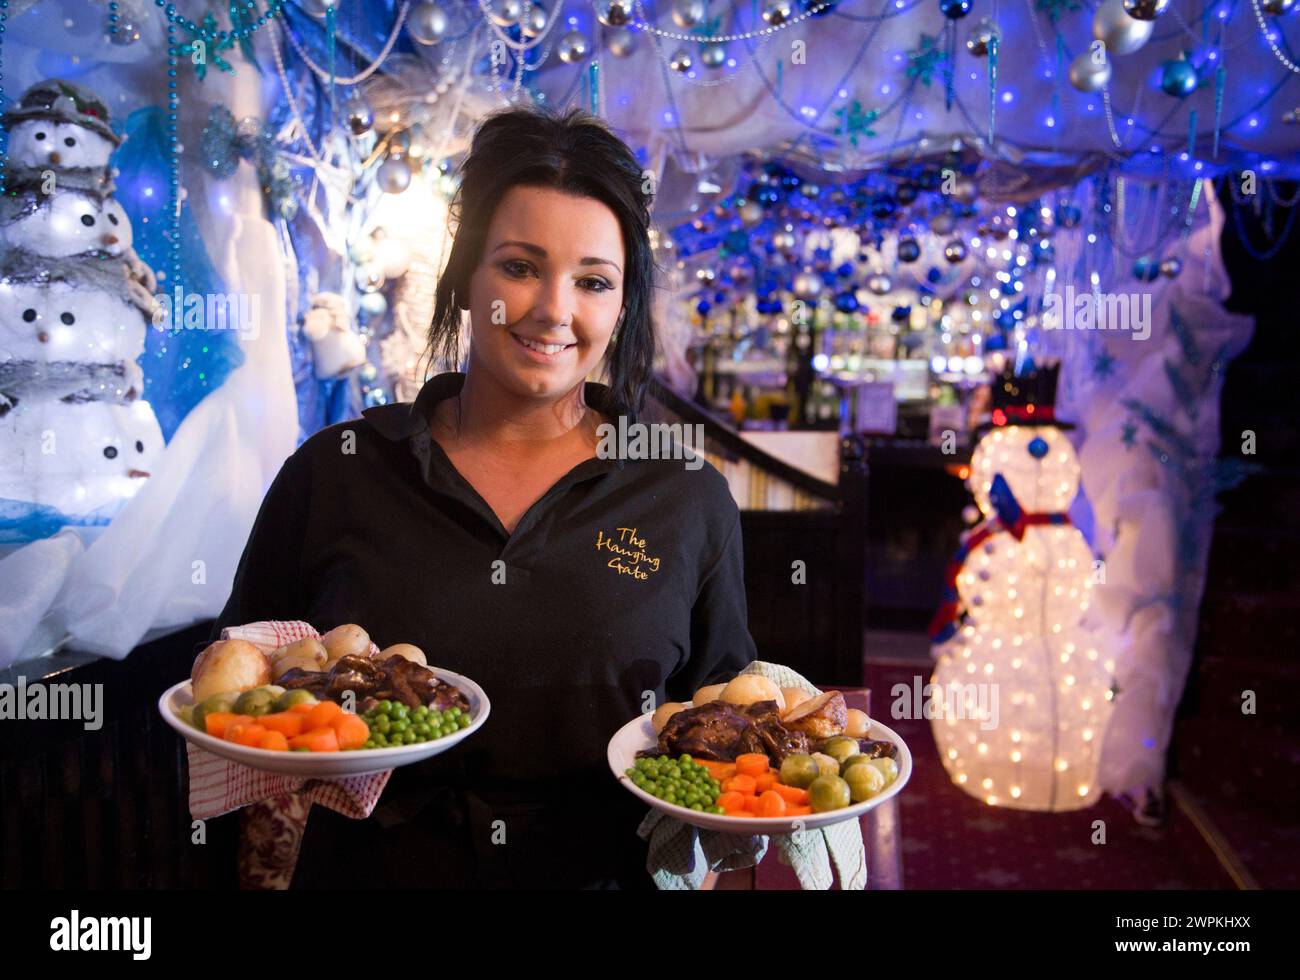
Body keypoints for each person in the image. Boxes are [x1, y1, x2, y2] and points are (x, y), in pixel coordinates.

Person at [212, 105, 757, 888]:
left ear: (623, 305)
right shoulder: (337, 471)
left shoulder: (684, 494)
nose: (552, 310)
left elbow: (723, 720)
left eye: (593, 281)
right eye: (520, 265)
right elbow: (239, 686)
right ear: (466, 275)